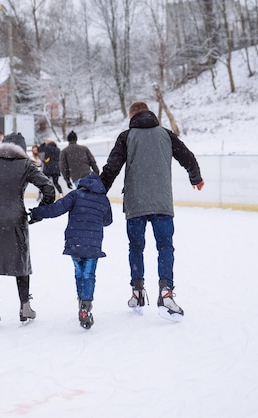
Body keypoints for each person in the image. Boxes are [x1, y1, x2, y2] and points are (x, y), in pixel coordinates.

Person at [100, 101, 205, 322]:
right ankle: (166, 292)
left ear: (131, 117)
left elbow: (112, 167)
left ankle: (137, 292)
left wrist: (96, 192)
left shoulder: (126, 137)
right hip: (162, 203)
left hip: (136, 203)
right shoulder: (166, 135)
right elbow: (187, 156)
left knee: (136, 247)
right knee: (165, 246)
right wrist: (195, 177)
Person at [0, 133, 55, 326]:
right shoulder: (25, 165)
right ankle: (25, 307)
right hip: (16, 219)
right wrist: (38, 213)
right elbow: (48, 188)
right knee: (20, 263)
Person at [28, 173, 112, 329]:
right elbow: (108, 221)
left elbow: (56, 210)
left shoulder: (75, 195)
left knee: (79, 273)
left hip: (75, 242)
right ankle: (85, 305)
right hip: (93, 243)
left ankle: (81, 302)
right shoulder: (103, 199)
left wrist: (36, 213)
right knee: (89, 275)